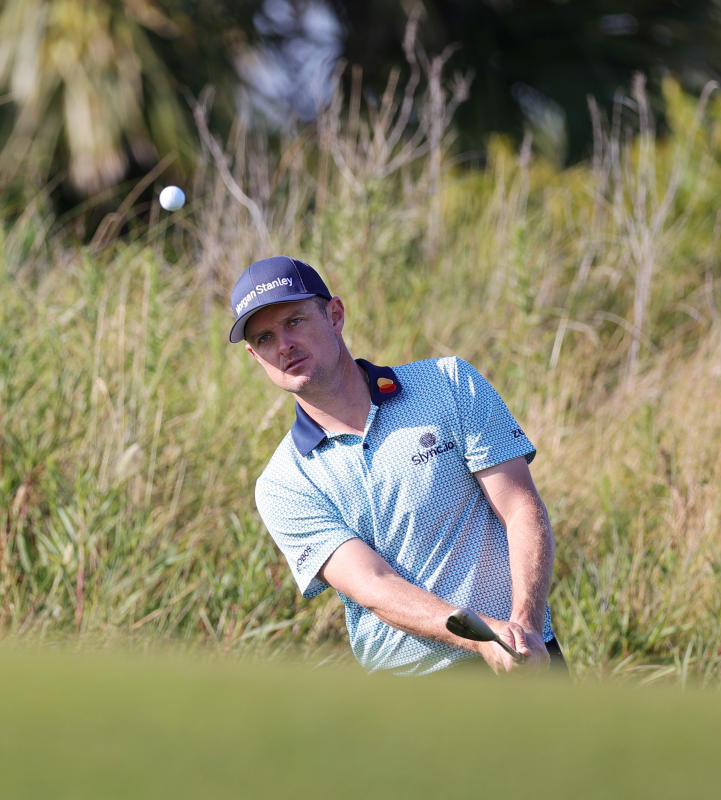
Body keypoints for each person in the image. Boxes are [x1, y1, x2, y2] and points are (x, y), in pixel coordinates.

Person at [229, 255, 564, 675]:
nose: (283, 346)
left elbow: (520, 507)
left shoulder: (448, 383)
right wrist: (484, 641)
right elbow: (373, 586)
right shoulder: (283, 482)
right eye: (264, 338)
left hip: (527, 654)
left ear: (335, 315)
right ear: (254, 356)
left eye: (295, 321)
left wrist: (525, 628)